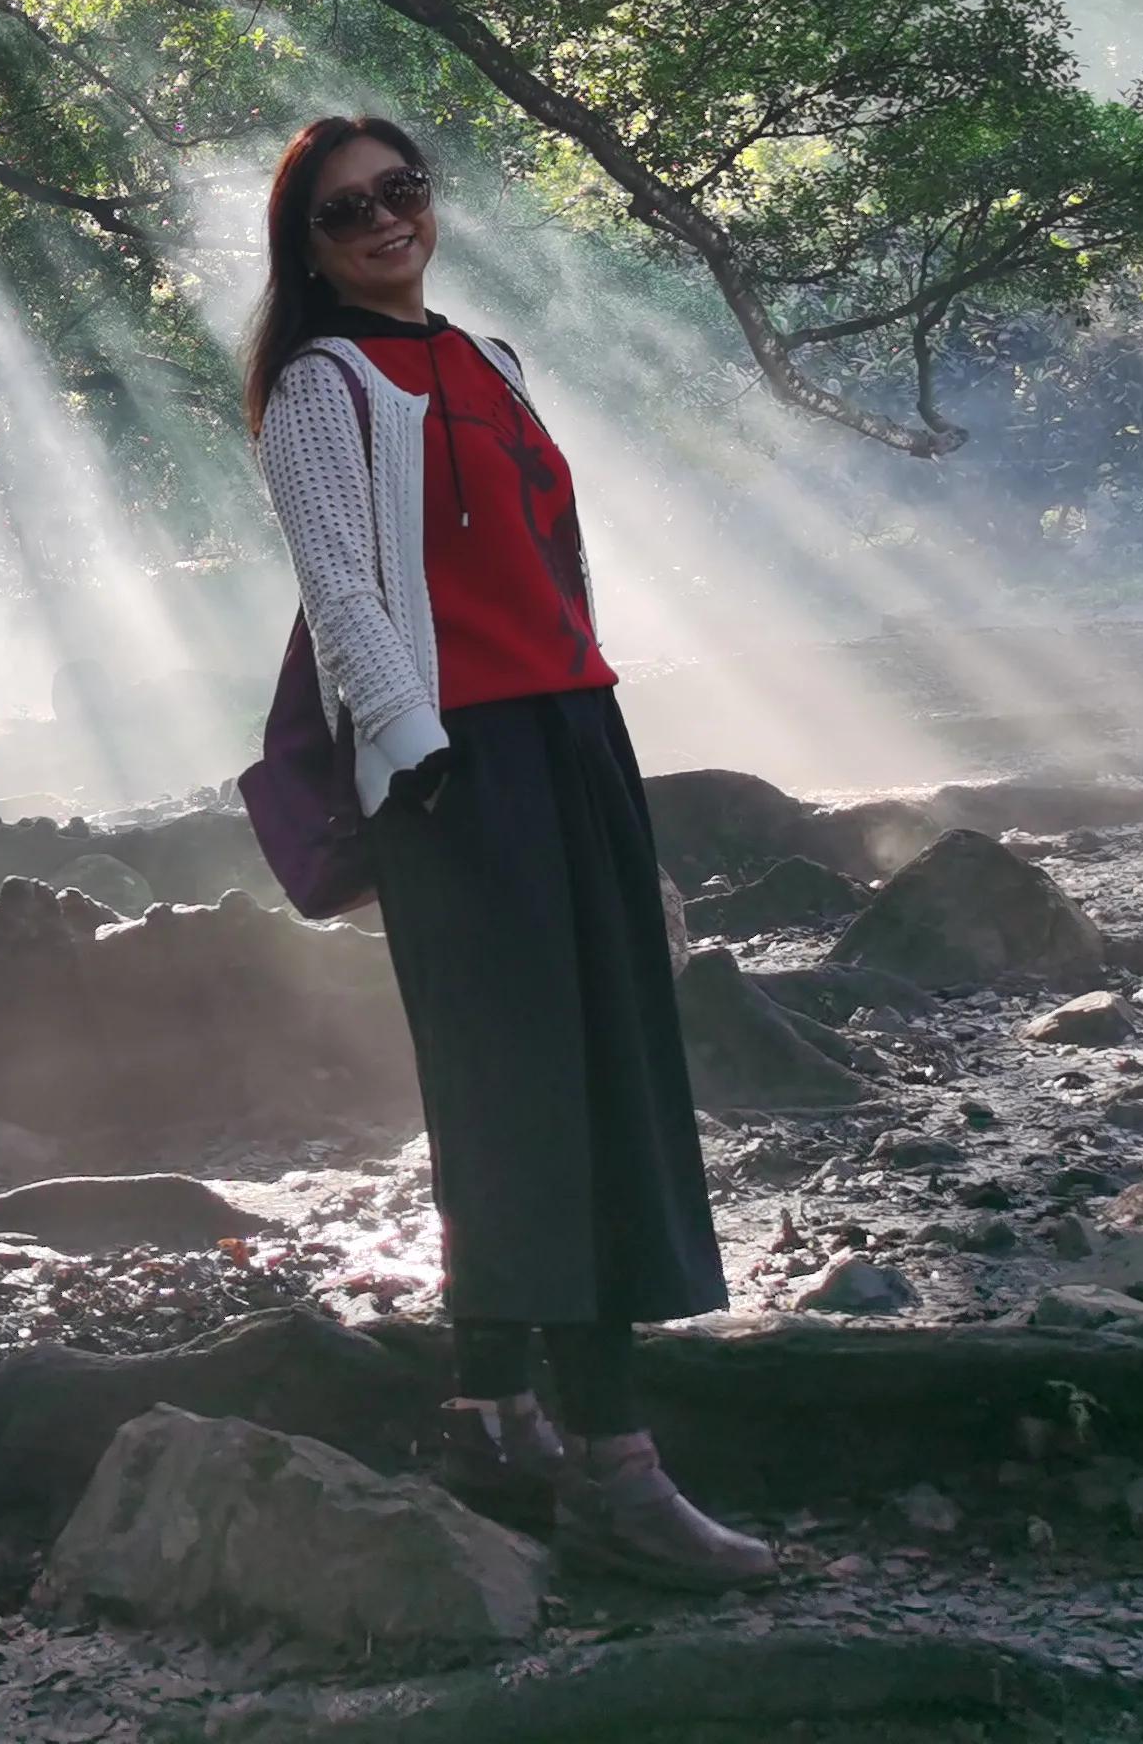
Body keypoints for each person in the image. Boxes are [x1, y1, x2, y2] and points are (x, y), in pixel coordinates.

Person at [248, 112, 772, 1591]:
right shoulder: (319, 385)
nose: (382, 223)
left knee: (592, 1071)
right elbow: (342, 593)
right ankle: (615, 1468)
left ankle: (493, 1418)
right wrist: (422, 761)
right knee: (533, 1101)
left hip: (572, 740)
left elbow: (552, 570)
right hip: (457, 766)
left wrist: (603, 779)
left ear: (433, 203)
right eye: (346, 212)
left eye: (400, 194)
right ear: (309, 245)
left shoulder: (486, 360)